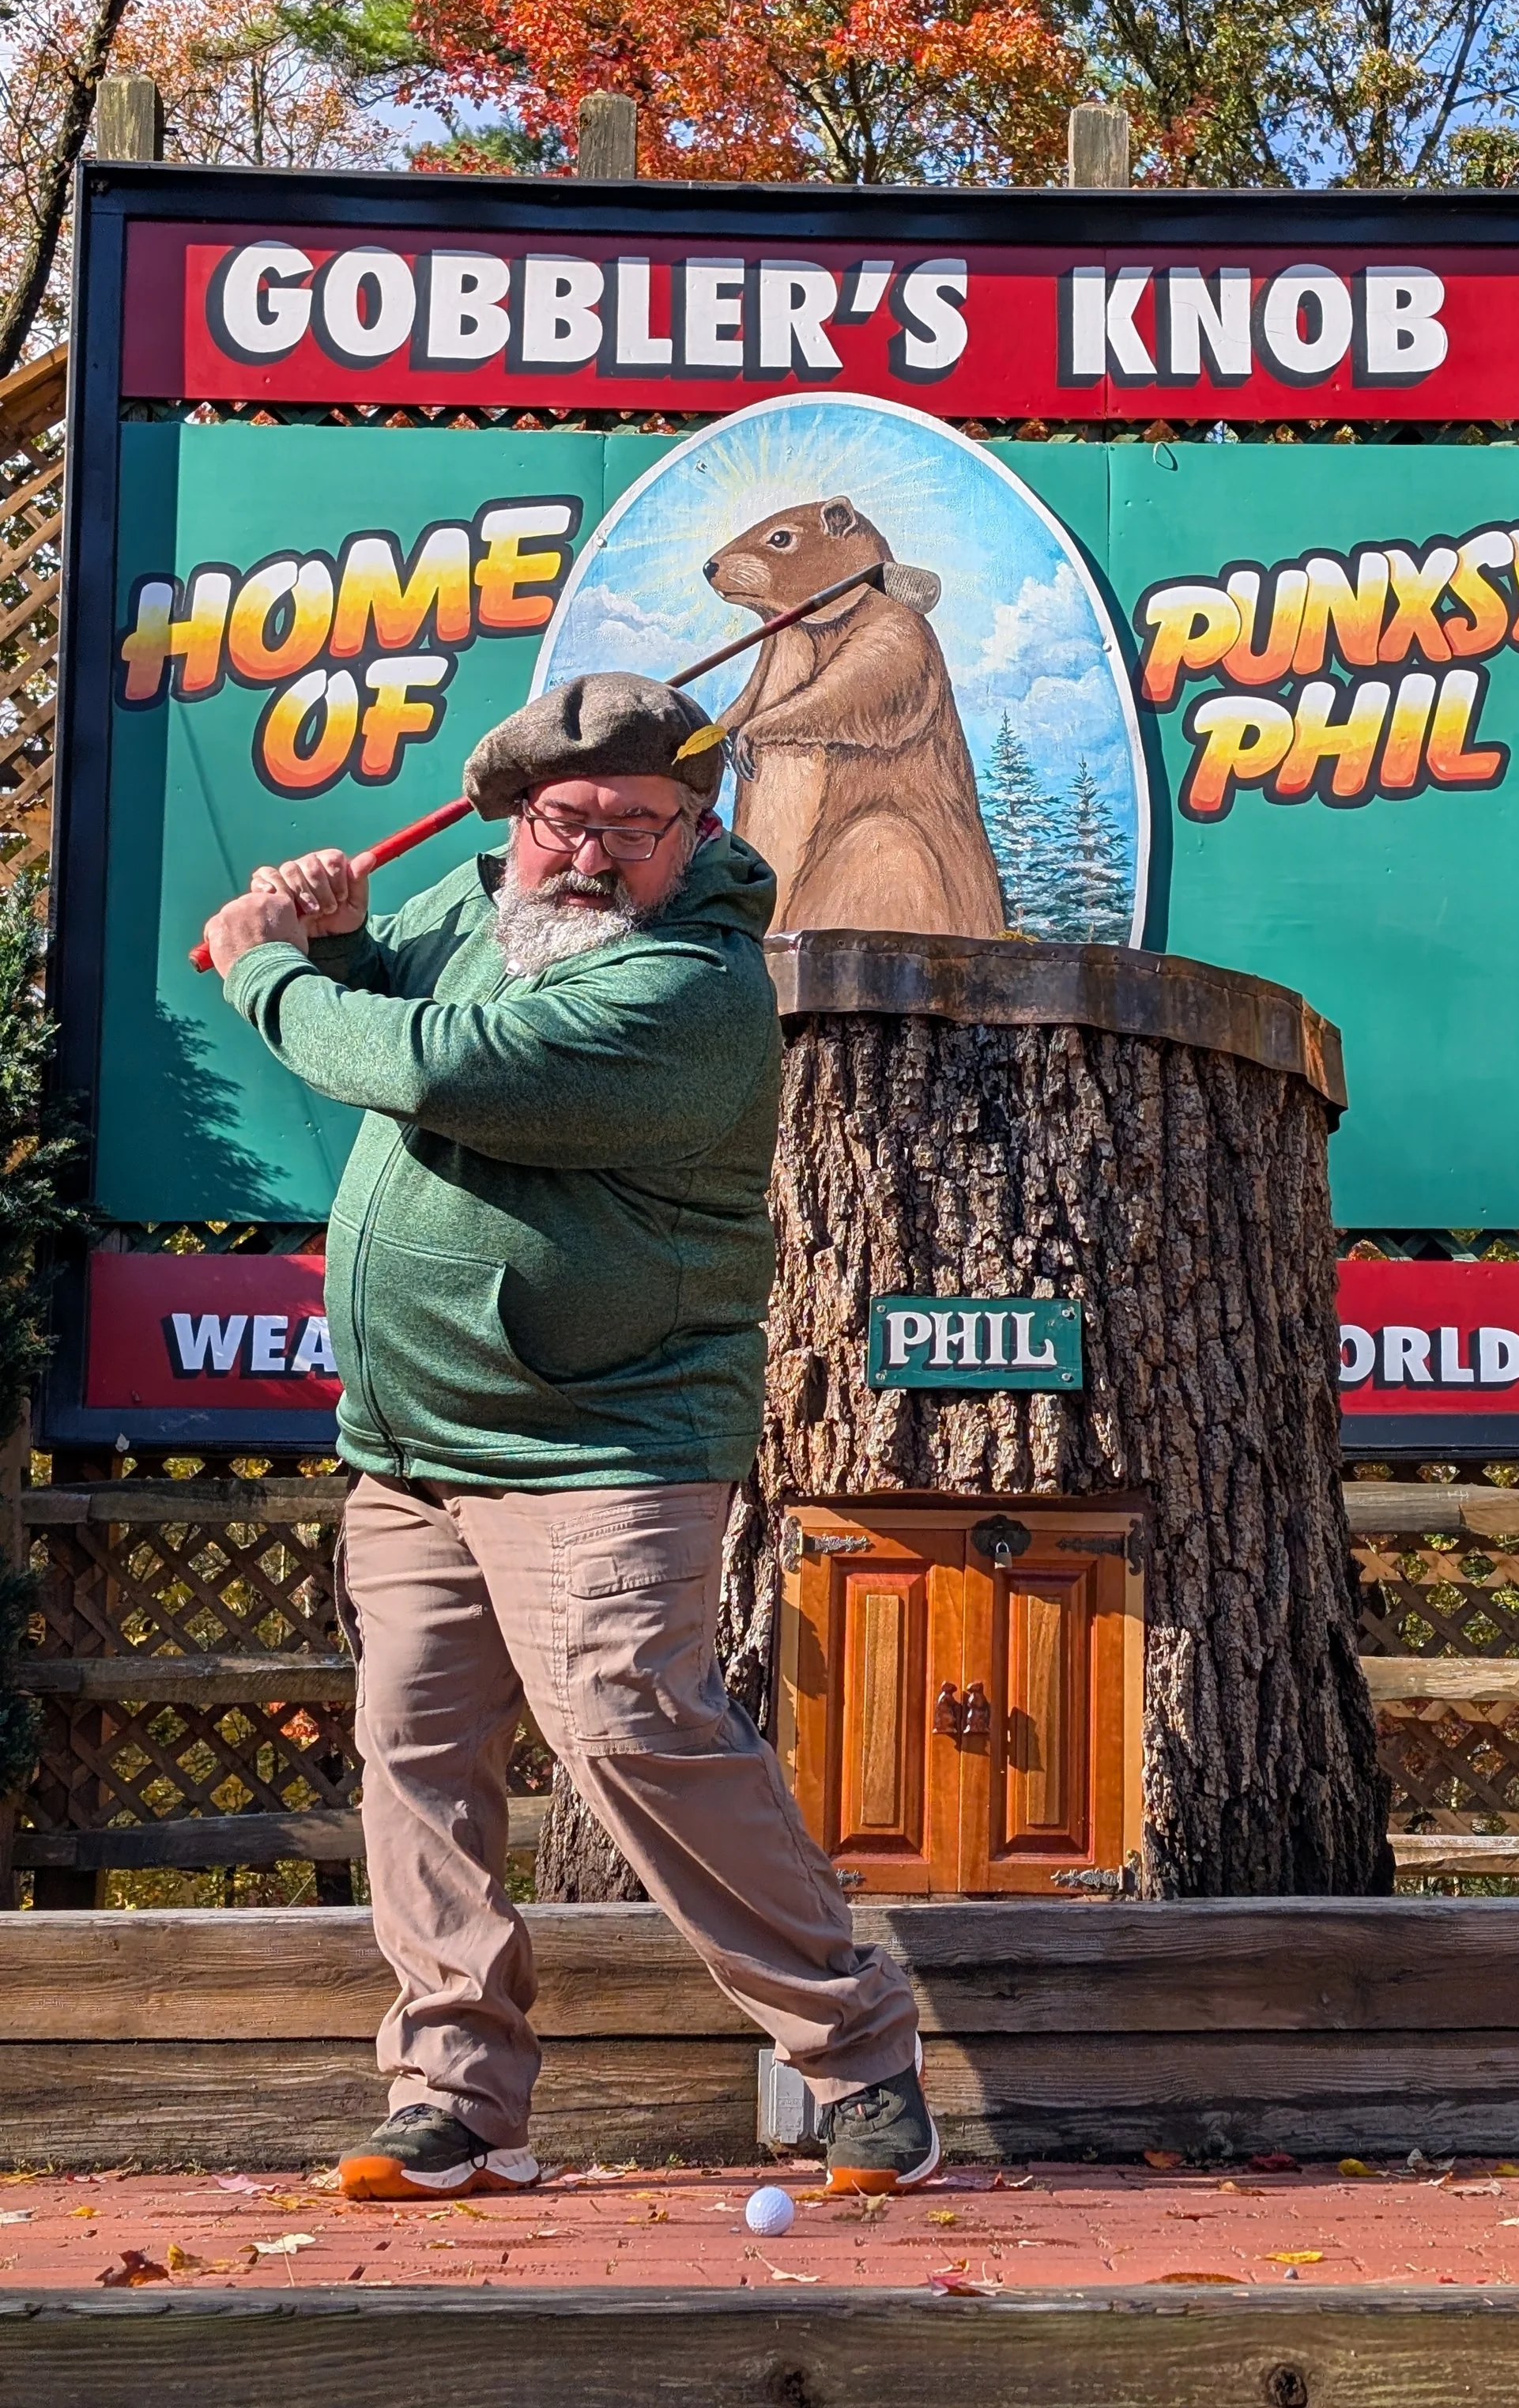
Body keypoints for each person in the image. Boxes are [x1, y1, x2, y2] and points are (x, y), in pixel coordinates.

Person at [198, 671, 937, 2202]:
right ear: (511, 819)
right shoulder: (482, 914)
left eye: (634, 827)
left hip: (604, 1440)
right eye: (562, 822)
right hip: (409, 1444)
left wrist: (272, 975)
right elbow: (390, 985)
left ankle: (859, 2056)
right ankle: (458, 2096)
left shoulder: (688, 991)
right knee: (413, 1752)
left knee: (626, 1721)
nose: (592, 855)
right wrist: (335, 929)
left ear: (697, 832)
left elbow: (430, 1067)